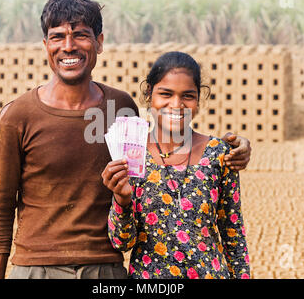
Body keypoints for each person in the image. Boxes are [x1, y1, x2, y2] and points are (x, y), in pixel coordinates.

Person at [0, 0, 252, 279]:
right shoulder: (17, 116)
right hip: (36, 268)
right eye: (58, 36)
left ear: (99, 42)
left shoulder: (121, 108)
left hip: (105, 269)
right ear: (45, 45)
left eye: (81, 35)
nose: (69, 46)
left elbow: (165, 147)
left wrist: (234, 149)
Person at [102, 51, 251, 279]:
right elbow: (122, 242)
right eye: (166, 94)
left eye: (187, 96)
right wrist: (122, 200)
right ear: (149, 95)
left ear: (199, 100)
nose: (176, 104)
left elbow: (234, 236)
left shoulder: (218, 155)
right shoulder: (132, 156)